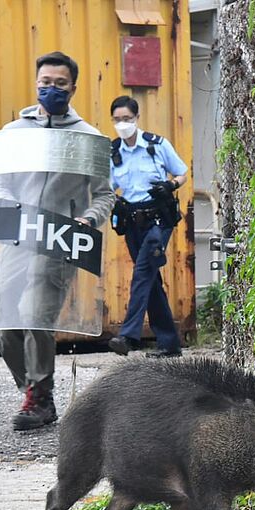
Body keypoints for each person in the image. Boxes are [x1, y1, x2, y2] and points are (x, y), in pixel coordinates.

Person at [0, 51, 115, 431]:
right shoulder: (14, 133)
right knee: (2, 322)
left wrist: (87, 219)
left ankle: (39, 397)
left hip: (59, 238)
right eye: (45, 83)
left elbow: (105, 195)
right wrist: (3, 202)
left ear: (73, 88)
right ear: (36, 83)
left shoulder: (87, 139)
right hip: (18, 235)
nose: (52, 89)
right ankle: (32, 386)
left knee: (35, 316)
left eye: (60, 84)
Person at [106, 95, 188, 359]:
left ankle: (129, 335)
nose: (123, 124)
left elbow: (182, 172)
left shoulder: (156, 145)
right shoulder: (113, 152)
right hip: (132, 222)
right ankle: (169, 344)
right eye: (118, 120)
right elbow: (107, 188)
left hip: (158, 221)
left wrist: (171, 185)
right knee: (151, 280)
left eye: (127, 119)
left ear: (137, 118)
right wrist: (114, 202)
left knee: (142, 272)